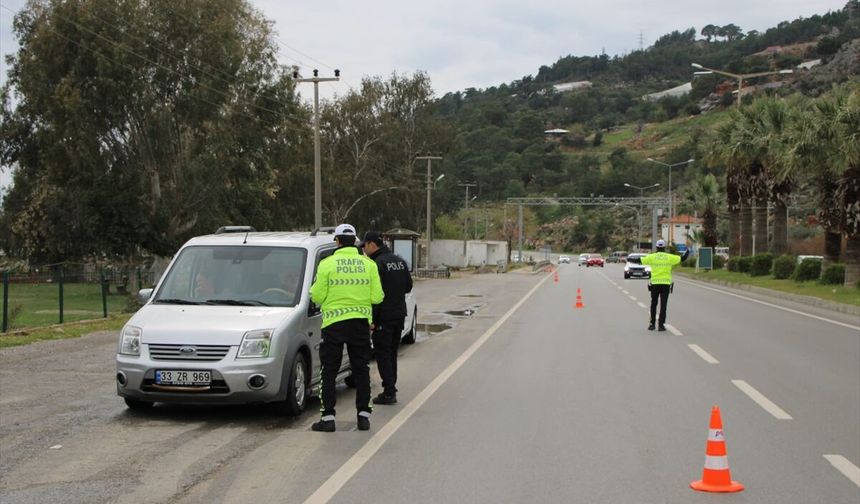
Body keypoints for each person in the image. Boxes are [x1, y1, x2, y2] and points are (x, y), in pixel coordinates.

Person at [310, 224, 383, 432]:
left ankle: (328, 418)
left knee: (329, 371)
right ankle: (363, 416)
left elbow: (316, 296)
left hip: (334, 325)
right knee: (361, 369)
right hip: (360, 323)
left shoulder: (327, 264)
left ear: (337, 241)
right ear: (355, 241)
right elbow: (377, 297)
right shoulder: (368, 265)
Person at [359, 231, 413, 406]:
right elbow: (408, 286)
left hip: (384, 317)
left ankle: (389, 392)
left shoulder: (376, 264)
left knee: (383, 354)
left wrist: (372, 320)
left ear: (372, 245)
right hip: (399, 314)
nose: (363, 250)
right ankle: (391, 387)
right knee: (392, 353)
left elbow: (375, 296)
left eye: (364, 246)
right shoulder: (398, 260)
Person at [640, 239, 689, 331]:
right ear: (664, 247)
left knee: (653, 304)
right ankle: (661, 325)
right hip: (665, 284)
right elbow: (683, 258)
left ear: (657, 247)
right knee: (663, 305)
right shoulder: (669, 257)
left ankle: (652, 324)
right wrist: (688, 250)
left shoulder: (652, 257)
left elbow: (640, 260)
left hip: (654, 284)